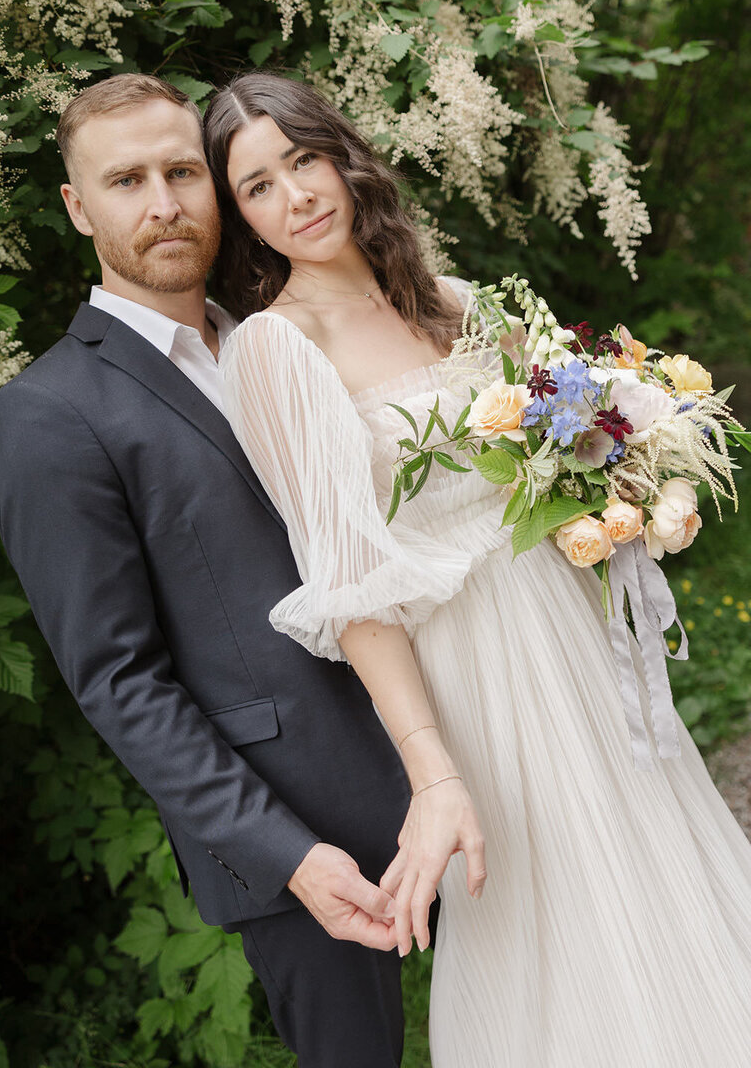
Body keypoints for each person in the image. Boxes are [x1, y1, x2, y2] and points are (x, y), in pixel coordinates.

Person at [205, 70, 751, 1068]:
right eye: (258, 185)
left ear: (337, 152)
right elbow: (350, 588)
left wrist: (619, 485)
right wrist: (432, 771)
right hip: (469, 672)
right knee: (552, 918)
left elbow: (553, 459)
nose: (295, 194)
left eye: (301, 158)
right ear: (240, 217)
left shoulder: (449, 298)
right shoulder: (276, 349)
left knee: (652, 864)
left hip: (568, 622)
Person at [0, 73, 415, 1068]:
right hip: (299, 829)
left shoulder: (285, 334)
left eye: (182, 171)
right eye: (126, 179)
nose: (163, 201)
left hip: (448, 751)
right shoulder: (48, 415)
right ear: (77, 206)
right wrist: (288, 856)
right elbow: (120, 683)